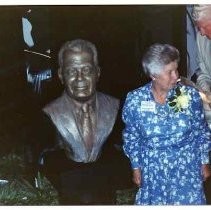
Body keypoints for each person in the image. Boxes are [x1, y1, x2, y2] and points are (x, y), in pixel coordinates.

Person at [26, 39, 132, 205]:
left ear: (97, 72)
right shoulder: (50, 113)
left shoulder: (115, 107)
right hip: (70, 182)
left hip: (103, 185)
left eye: (86, 70)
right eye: (71, 72)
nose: (79, 78)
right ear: (61, 75)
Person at [122, 43, 211, 205]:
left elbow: (201, 131)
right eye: (169, 72)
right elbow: (131, 137)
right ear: (153, 75)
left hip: (186, 169)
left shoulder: (190, 96)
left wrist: (204, 161)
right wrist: (136, 167)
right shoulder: (135, 100)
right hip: (152, 170)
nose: (176, 76)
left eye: (176, 69)